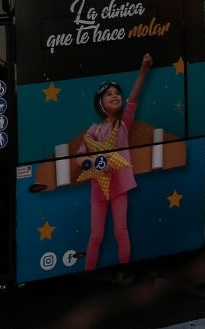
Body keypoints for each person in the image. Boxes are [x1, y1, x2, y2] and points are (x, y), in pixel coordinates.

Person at [77, 53, 152, 270]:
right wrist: (96, 161)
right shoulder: (93, 130)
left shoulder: (123, 124)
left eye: (117, 93)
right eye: (109, 94)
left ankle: (123, 271)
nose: (115, 96)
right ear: (100, 103)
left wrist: (144, 70)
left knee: (121, 231)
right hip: (98, 189)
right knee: (96, 235)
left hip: (119, 186)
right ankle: (89, 270)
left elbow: (133, 99)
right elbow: (79, 159)